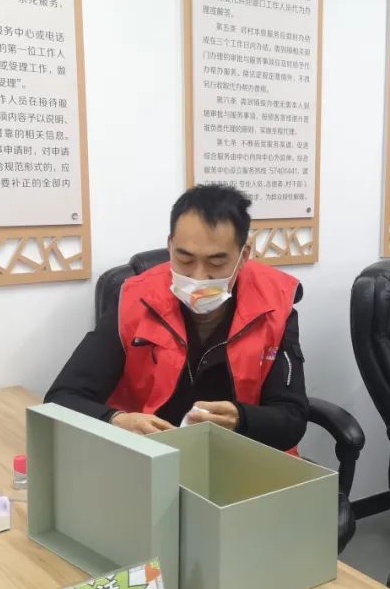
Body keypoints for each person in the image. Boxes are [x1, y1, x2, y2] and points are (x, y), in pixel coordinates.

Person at [46, 184, 308, 451]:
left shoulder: (274, 304)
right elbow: (62, 398)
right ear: (170, 246)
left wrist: (242, 419)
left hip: (239, 456)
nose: (198, 277)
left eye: (217, 263)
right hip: (150, 455)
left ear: (244, 256)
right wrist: (117, 421)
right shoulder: (134, 300)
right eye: (184, 259)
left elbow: (292, 419)